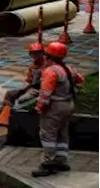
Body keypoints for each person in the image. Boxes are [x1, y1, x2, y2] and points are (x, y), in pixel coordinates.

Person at [33, 41, 83, 177]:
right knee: (62, 133)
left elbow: (45, 93)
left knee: (48, 135)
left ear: (48, 56)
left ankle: (48, 164)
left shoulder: (51, 71)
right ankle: (61, 160)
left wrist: (39, 107)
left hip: (55, 107)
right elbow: (80, 80)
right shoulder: (68, 68)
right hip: (68, 105)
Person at [0, 43, 46, 117]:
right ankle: (2, 114)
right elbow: (29, 79)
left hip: (39, 88)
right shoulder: (34, 65)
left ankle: (17, 116)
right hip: (31, 85)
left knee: (22, 100)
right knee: (10, 94)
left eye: (37, 53)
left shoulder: (45, 65)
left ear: (42, 53)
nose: (35, 55)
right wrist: (23, 87)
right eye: (33, 53)